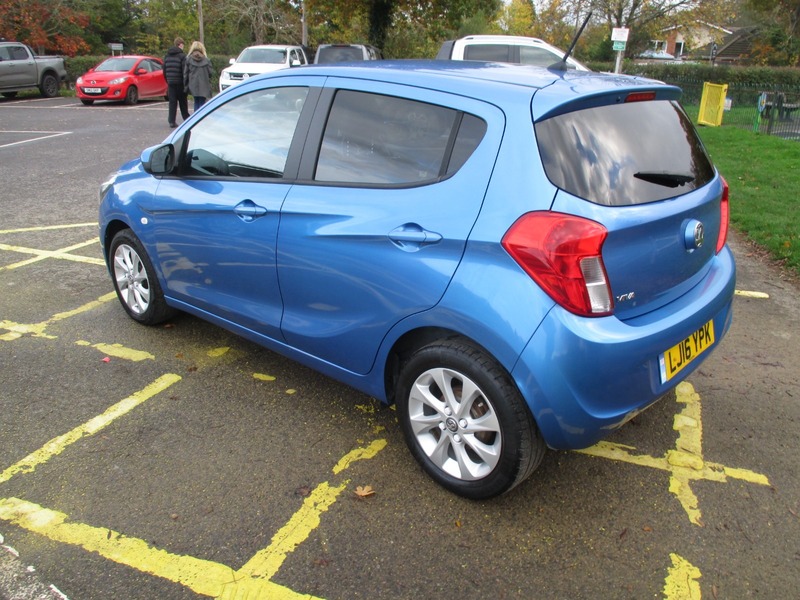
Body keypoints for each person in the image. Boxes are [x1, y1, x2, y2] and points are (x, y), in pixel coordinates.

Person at [163, 37, 189, 128]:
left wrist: (168, 80)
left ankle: (171, 121)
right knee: (183, 102)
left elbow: (164, 70)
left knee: (172, 102)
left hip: (171, 82)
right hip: (180, 82)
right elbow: (184, 71)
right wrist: (185, 82)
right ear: (181, 44)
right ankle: (186, 119)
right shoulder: (182, 56)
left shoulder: (167, 56)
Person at [184, 41, 214, 112]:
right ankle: (201, 119)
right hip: (204, 86)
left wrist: (185, 86)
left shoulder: (188, 60)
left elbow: (185, 74)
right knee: (202, 103)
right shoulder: (206, 60)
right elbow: (211, 73)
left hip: (193, 85)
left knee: (196, 102)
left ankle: (196, 119)